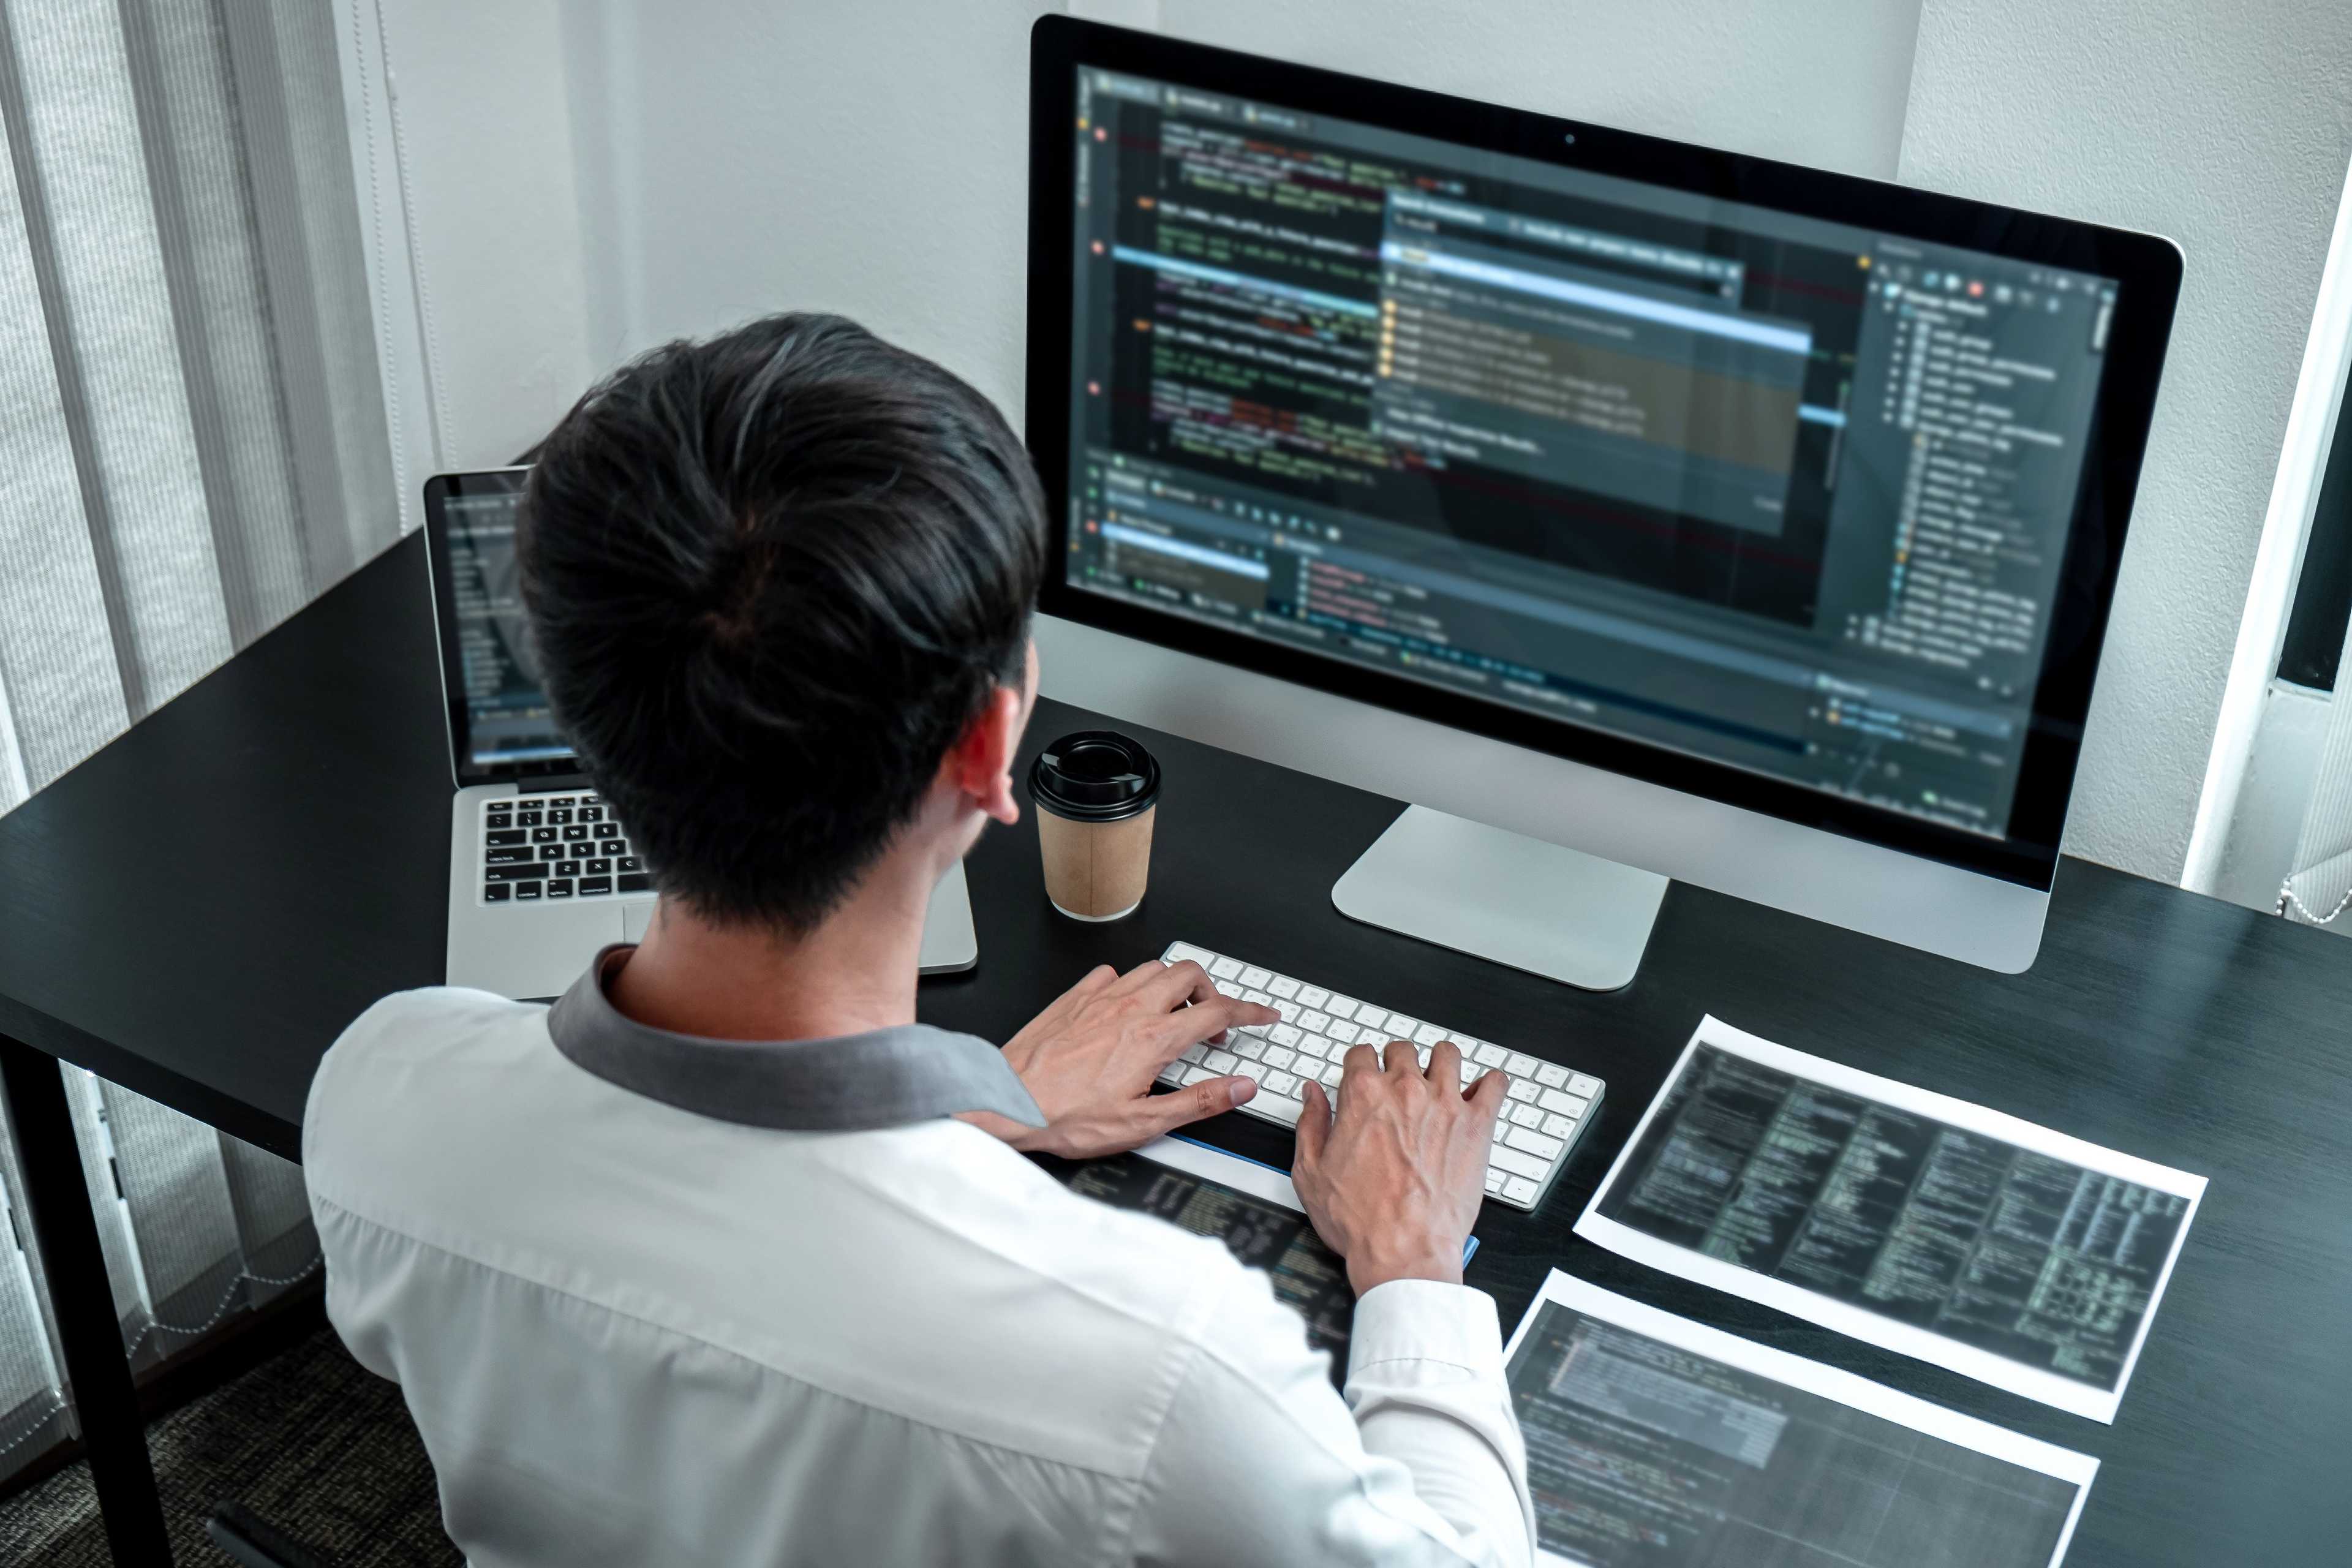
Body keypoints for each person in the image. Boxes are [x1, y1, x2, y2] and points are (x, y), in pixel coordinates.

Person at [304, 312, 1533, 1566]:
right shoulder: (1161, 1365)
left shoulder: (383, 1090)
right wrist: (1416, 1267)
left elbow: (713, 1264)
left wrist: (975, 1123)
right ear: (990, 752)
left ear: (574, 705)